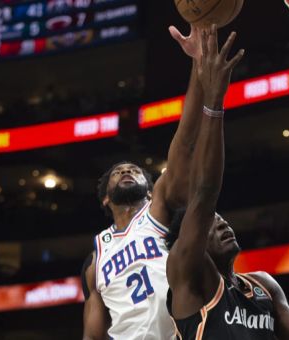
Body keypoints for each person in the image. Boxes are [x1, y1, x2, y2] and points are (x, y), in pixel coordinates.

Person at [165, 28, 289, 340]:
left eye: (221, 220)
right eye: (212, 224)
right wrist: (213, 101)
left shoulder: (264, 287)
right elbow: (204, 194)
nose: (223, 225)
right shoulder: (188, 274)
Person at [81, 24, 224, 340]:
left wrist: (197, 66)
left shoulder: (156, 209)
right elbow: (93, 333)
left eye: (134, 171)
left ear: (149, 189)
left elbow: (185, 142)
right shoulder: (96, 258)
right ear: (106, 198)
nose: (127, 172)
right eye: (119, 172)